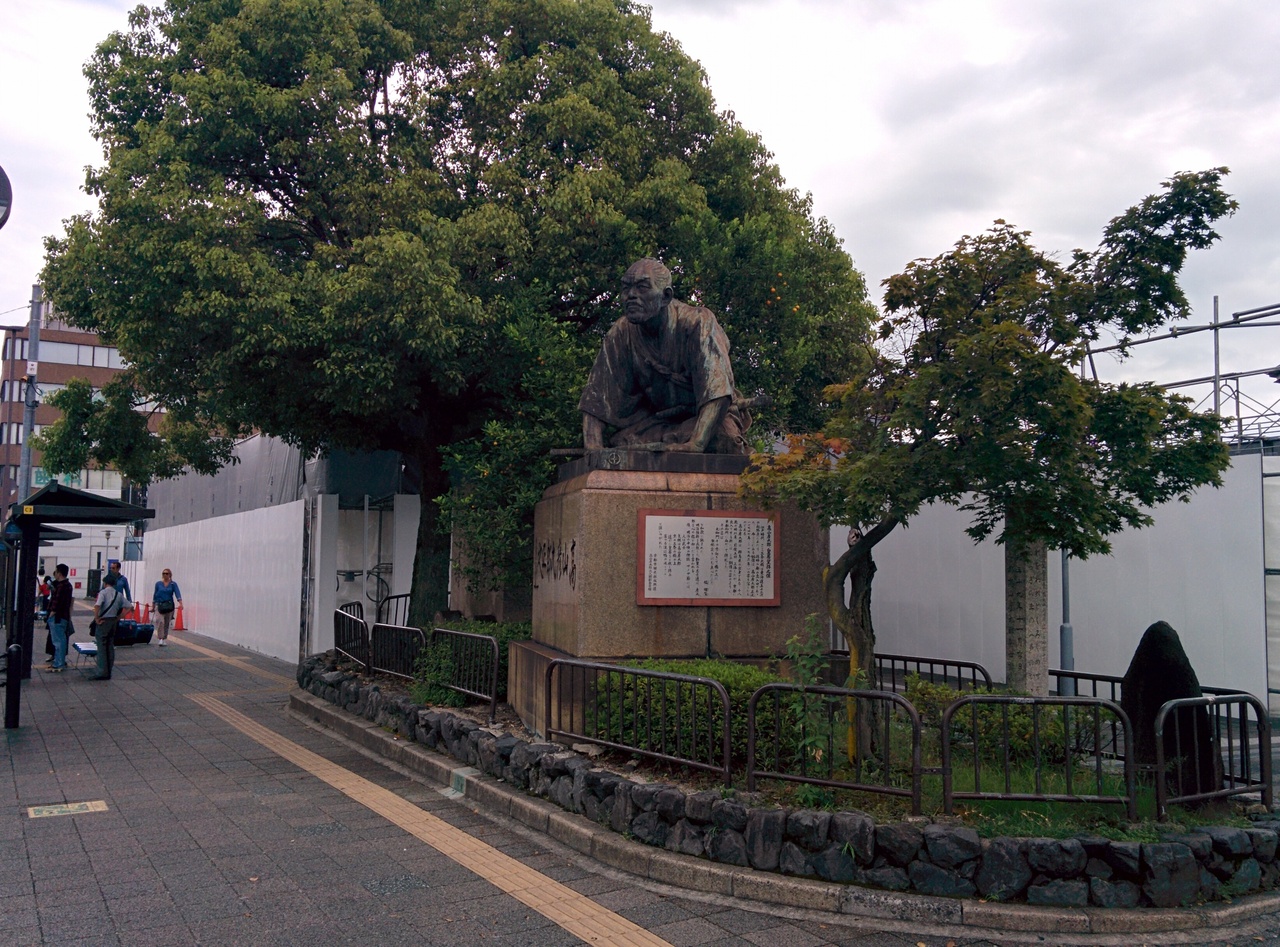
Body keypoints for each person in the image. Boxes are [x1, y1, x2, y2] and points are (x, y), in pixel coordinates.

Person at [579, 258, 752, 454]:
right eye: (626, 288)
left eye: (642, 287)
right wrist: (593, 447)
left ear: (666, 296)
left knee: (724, 440)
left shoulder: (698, 323)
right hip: (659, 422)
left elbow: (717, 392)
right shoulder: (620, 333)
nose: (631, 295)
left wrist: (696, 444)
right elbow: (597, 397)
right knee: (625, 443)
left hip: (705, 420)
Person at [89, 572, 130, 681]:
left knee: (102, 646)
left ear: (105, 583)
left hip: (103, 621)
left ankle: (101, 672)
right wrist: (119, 617)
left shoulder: (103, 593)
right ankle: (109, 671)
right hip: (113, 621)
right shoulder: (118, 594)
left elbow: (97, 605)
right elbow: (129, 607)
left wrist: (96, 618)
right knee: (110, 646)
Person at [44, 565, 73, 673]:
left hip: (57, 617)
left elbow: (57, 602)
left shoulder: (61, 586)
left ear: (59, 573)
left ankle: (58, 664)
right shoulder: (68, 585)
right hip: (64, 616)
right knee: (61, 640)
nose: (55, 574)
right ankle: (59, 662)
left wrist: (51, 614)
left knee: (58, 641)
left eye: (56, 572)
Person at [152, 568, 183, 646]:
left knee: (166, 623)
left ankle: (164, 638)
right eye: (163, 573)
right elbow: (155, 594)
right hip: (159, 605)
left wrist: (180, 603)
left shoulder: (173, 584)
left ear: (170, 575)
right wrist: (153, 605)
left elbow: (177, 593)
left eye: (167, 573)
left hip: (169, 605)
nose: (165, 575)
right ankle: (160, 638)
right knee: (160, 621)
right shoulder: (158, 584)